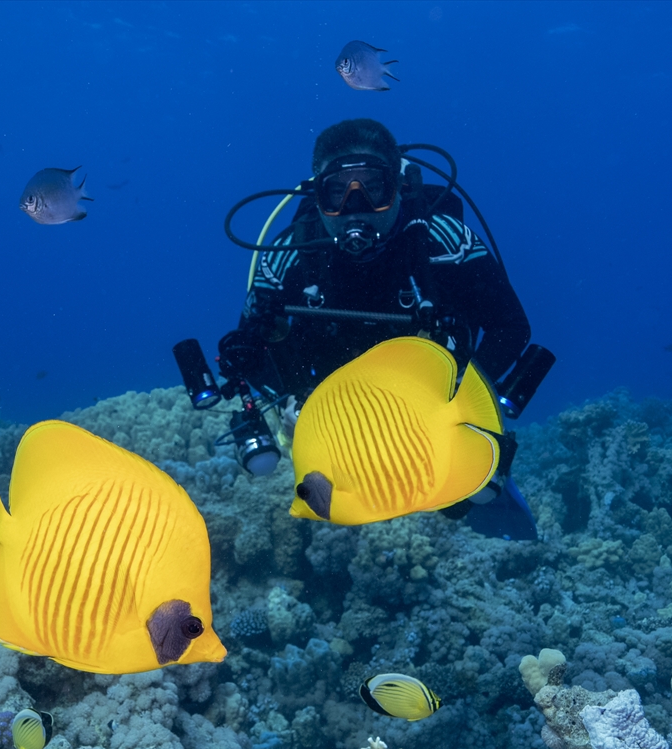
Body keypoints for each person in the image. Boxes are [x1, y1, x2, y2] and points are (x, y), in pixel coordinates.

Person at [217, 118, 540, 524]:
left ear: (400, 188)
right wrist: (294, 396)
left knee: (465, 501)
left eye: (374, 188)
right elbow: (254, 345)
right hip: (339, 419)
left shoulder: (446, 240)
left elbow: (511, 327)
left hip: (426, 408)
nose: (356, 207)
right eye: (337, 191)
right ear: (317, 195)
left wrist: (460, 394)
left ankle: (474, 474)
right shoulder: (287, 254)